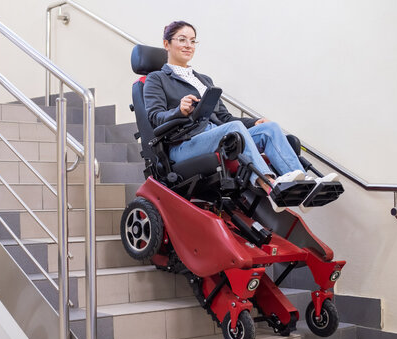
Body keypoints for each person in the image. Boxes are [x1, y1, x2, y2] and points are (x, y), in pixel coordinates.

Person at [143, 20, 338, 212]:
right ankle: (271, 187)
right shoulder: (156, 79)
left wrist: (255, 122)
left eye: (193, 41)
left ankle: (304, 189)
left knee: (269, 128)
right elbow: (154, 117)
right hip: (183, 143)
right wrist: (179, 110)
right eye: (182, 39)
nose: (188, 45)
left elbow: (225, 118)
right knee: (233, 131)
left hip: (216, 134)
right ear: (166, 44)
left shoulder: (204, 80)